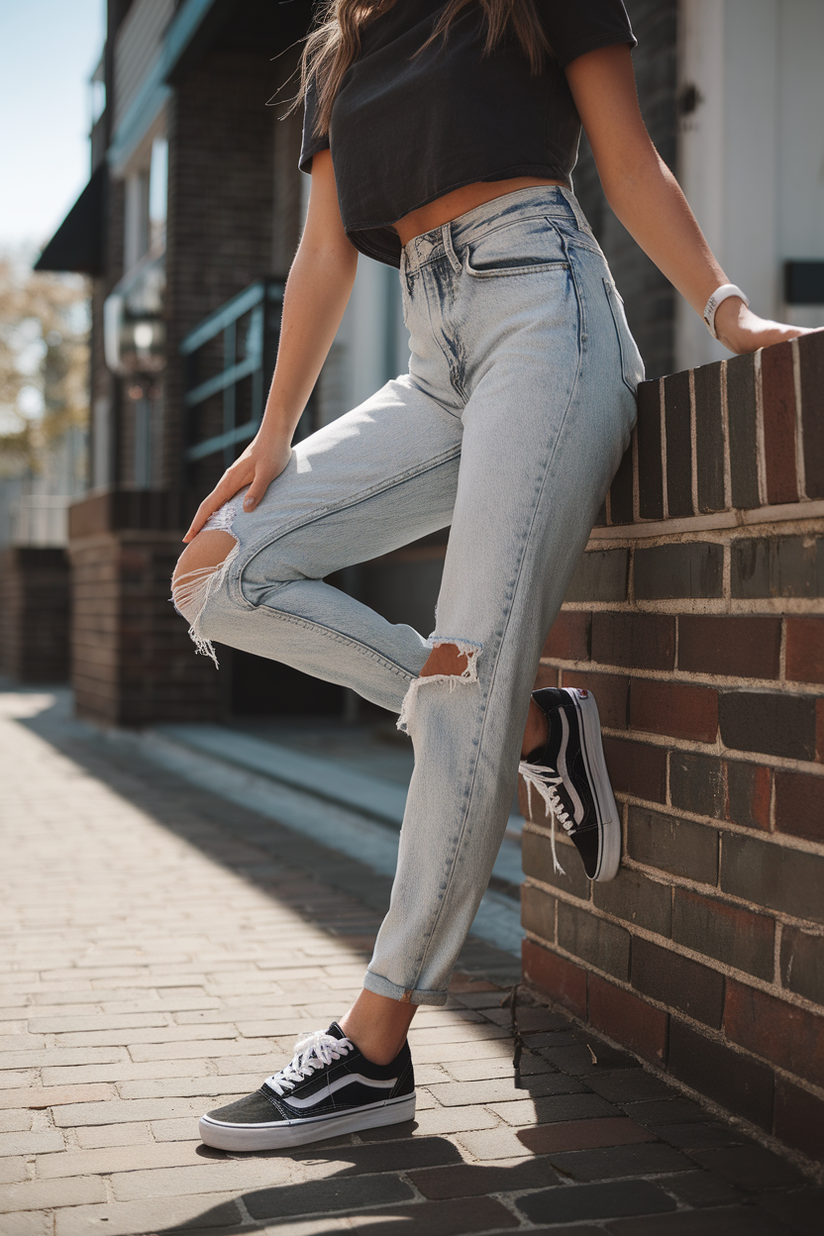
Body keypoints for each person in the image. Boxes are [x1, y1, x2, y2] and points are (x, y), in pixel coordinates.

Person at [171, 0, 807, 1153]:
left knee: (462, 670)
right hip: (432, 355)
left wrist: (722, 307)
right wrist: (273, 435)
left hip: (544, 316)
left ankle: (372, 1046)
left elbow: (626, 154)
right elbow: (322, 251)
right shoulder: (343, 46)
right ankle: (527, 732)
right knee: (219, 572)